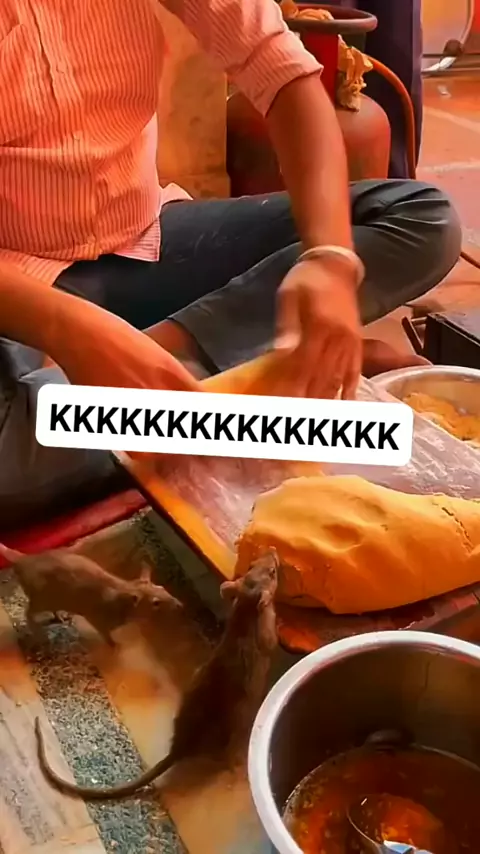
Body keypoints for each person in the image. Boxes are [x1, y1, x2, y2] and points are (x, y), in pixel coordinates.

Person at [0, 0, 461, 528]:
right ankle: (268, 384)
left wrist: (330, 258)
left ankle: (177, 366)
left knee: (421, 217)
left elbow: (283, 71)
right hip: (18, 293)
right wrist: (71, 330)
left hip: (144, 240)